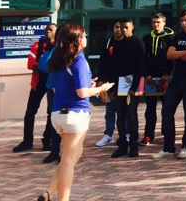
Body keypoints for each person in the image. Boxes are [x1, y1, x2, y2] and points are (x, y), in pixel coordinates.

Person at [36, 25, 114, 201]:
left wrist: (88, 83)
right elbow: (81, 93)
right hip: (75, 114)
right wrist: (101, 88)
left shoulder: (57, 59)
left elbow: (58, 88)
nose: (87, 38)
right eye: (85, 35)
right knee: (68, 162)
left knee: (71, 157)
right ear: (79, 39)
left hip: (58, 114)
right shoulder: (78, 60)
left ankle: (48, 194)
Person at [153, 8, 186, 160]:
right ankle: (168, 147)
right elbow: (169, 55)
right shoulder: (177, 37)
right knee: (166, 111)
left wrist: (182, 53)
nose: (183, 23)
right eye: (182, 21)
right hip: (177, 80)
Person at [14, 23, 58, 153]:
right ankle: (27, 141)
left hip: (52, 82)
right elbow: (31, 63)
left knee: (51, 112)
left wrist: (42, 64)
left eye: (51, 30)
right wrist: (44, 65)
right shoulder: (37, 45)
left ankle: (47, 140)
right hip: (38, 81)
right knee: (30, 112)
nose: (47, 32)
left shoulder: (59, 47)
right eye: (46, 30)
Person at [110, 17, 146, 158]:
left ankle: (133, 146)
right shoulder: (117, 44)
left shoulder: (138, 44)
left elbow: (140, 66)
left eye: (126, 27)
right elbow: (112, 67)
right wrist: (112, 89)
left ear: (132, 27)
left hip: (133, 85)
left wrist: (134, 87)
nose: (123, 30)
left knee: (132, 116)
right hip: (119, 85)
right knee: (120, 116)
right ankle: (122, 145)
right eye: (121, 27)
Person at [140, 13, 174, 146]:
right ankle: (148, 135)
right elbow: (143, 58)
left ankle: (167, 134)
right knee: (150, 109)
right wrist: (147, 75)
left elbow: (171, 59)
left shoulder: (170, 38)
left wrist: (166, 74)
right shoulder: (147, 38)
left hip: (165, 79)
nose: (156, 25)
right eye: (154, 22)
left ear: (164, 23)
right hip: (150, 79)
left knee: (167, 108)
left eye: (158, 22)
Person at [94, 19, 124, 148]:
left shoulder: (129, 43)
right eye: (116, 27)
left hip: (124, 81)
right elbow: (102, 62)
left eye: (121, 27)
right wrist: (100, 78)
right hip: (109, 81)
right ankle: (108, 135)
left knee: (124, 111)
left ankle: (126, 134)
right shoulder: (108, 42)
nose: (118, 29)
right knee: (110, 109)